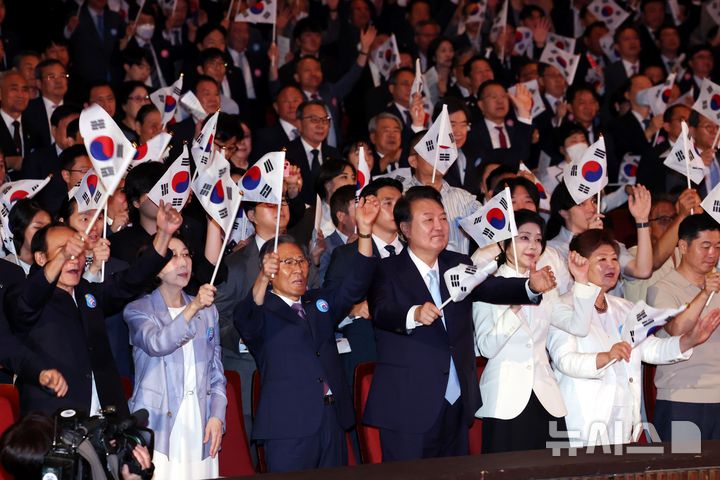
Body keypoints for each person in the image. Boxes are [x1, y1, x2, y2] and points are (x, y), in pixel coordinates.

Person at [365, 186, 557, 461]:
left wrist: (529, 286)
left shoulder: (458, 263)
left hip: (457, 401)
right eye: (428, 219)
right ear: (406, 229)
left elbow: (491, 287)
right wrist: (414, 314)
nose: (439, 226)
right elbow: (381, 311)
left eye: (443, 218)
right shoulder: (386, 269)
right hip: (408, 406)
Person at [233, 195, 381, 472]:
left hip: (332, 418)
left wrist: (364, 232)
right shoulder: (261, 310)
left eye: (301, 261)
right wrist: (262, 278)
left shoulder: (318, 303)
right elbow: (246, 318)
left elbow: (355, 284)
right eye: (287, 263)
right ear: (271, 268)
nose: (298, 269)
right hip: (289, 425)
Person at [5, 201, 182, 416]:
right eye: (64, 251)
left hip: (105, 418)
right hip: (52, 422)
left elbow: (129, 281)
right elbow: (27, 303)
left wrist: (163, 235)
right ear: (41, 258)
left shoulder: (86, 293)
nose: (74, 260)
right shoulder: (21, 292)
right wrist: (63, 256)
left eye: (78, 252)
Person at [547, 229, 720, 446]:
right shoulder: (562, 306)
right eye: (601, 259)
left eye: (614, 259)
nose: (611, 265)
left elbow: (650, 348)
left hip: (623, 422)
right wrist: (607, 356)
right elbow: (566, 361)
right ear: (579, 264)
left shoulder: (626, 308)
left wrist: (689, 340)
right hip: (582, 421)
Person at [473, 209, 600, 453]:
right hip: (505, 399)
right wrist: (522, 296)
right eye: (524, 237)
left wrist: (581, 280)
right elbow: (487, 347)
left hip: (546, 397)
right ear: (504, 242)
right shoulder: (487, 285)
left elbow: (578, 326)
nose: (533, 245)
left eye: (538, 239)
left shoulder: (546, 286)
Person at [124, 234, 226, 480]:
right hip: (158, 422)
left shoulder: (208, 310)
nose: (183, 263)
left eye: (186, 255)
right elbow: (158, 343)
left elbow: (216, 371)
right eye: (173, 256)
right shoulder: (138, 310)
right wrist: (192, 309)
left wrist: (217, 415)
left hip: (200, 419)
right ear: (155, 268)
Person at [647, 214, 720, 441]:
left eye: (718, 247)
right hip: (681, 397)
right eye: (705, 246)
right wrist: (705, 292)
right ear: (683, 246)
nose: (713, 254)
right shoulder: (662, 288)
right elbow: (677, 329)